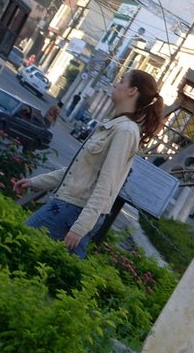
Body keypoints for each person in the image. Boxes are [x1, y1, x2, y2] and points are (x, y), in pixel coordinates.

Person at [14, 70, 164, 258]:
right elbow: (78, 172)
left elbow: (106, 184)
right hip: (68, 207)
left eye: (121, 81)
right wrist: (36, 182)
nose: (115, 84)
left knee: (17, 245)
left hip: (73, 210)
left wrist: (81, 226)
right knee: (47, 269)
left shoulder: (125, 131)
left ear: (132, 91)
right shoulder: (113, 125)